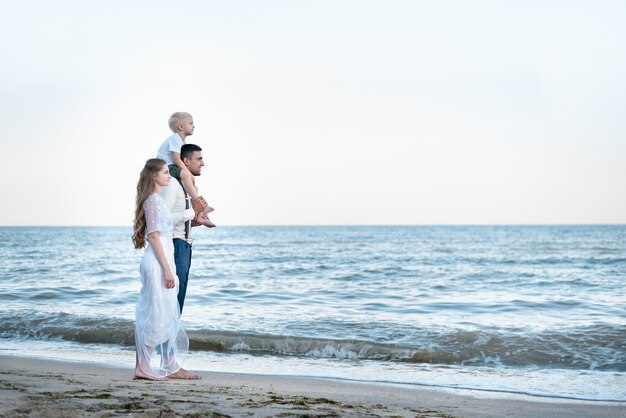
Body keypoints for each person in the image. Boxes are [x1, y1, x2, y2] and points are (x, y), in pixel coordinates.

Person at [131, 158, 201, 381]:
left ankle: (169, 364)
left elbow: (166, 226)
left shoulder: (158, 200)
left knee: (167, 312)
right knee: (155, 314)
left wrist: (195, 217)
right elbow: (153, 236)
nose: (168, 175)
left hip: (165, 259)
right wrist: (167, 270)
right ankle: (142, 367)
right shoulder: (152, 200)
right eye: (164, 172)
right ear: (154, 176)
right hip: (158, 263)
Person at [161, 144, 209, 314]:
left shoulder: (187, 187)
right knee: (173, 301)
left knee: (178, 302)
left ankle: (170, 338)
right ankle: (165, 339)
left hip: (185, 246)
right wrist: (192, 212)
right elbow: (163, 220)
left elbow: (181, 218)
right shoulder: (173, 185)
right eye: (199, 159)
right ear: (186, 161)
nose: (203, 163)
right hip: (175, 245)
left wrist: (196, 220)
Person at [157, 112, 216, 228]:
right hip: (167, 166)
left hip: (172, 166)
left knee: (194, 187)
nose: (194, 126)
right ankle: (198, 202)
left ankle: (200, 214)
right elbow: (176, 159)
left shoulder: (182, 142)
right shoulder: (175, 138)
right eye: (191, 123)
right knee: (187, 177)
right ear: (181, 127)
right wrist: (188, 173)